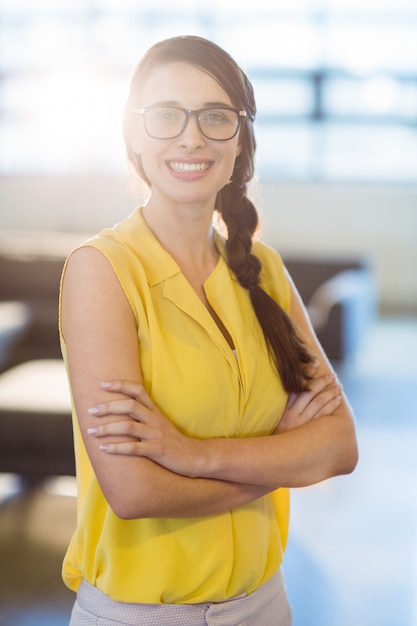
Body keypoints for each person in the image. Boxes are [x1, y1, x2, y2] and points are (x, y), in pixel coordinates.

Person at [60, 35, 358, 626]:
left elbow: (340, 446)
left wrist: (188, 455)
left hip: (266, 604)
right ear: (134, 134)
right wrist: (280, 457)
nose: (191, 137)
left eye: (215, 117)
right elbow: (134, 492)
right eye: (167, 115)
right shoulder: (102, 272)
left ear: (241, 139)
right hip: (140, 614)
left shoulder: (265, 270)